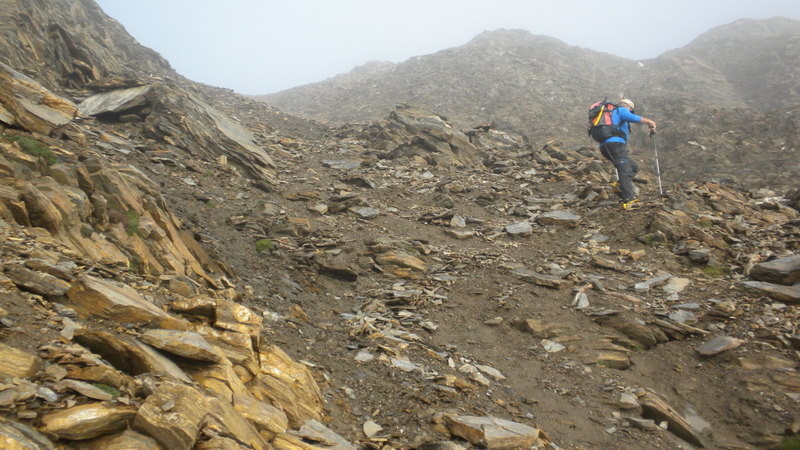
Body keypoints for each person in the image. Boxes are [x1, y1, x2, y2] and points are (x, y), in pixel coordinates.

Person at [598, 98, 656, 210]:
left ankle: (620, 185)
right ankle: (629, 201)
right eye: (631, 109)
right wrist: (649, 121)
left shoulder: (611, 114)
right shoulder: (621, 109)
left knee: (633, 167)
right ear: (627, 106)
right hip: (615, 144)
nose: (630, 111)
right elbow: (632, 118)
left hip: (606, 146)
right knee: (624, 170)